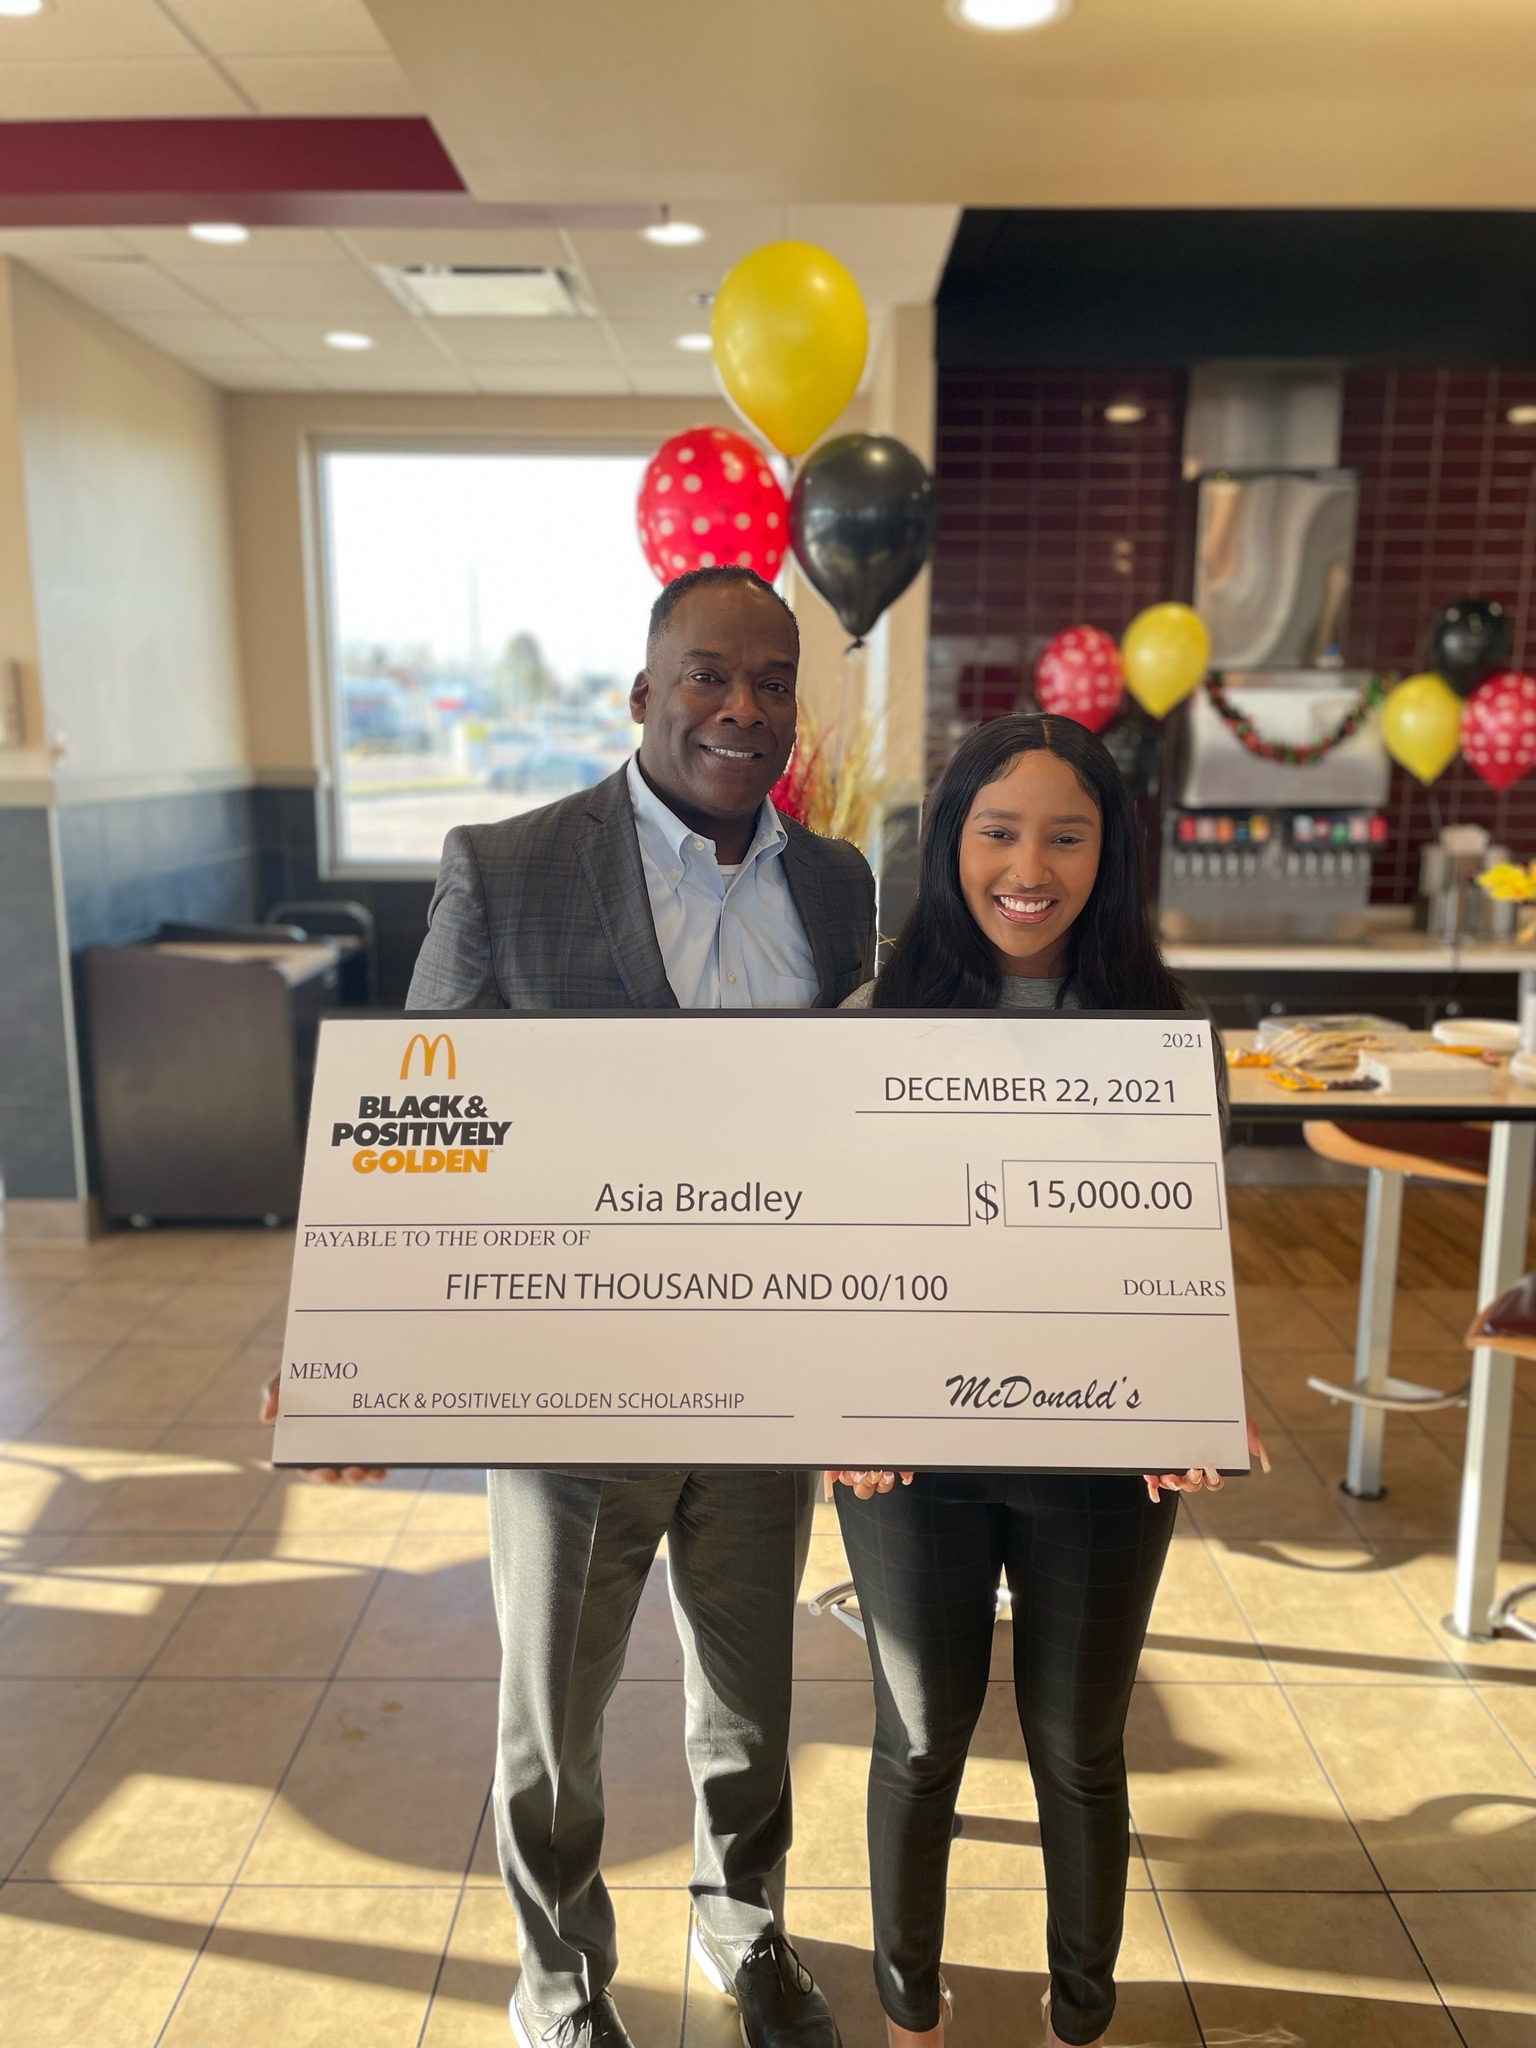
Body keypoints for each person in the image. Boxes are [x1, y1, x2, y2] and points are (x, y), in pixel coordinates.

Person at [264, 566, 874, 2048]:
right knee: (555, 1722)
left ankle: (745, 1927)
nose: (741, 707)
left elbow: (859, 1132)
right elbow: (421, 1128)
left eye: (772, 681)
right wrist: (346, 1349)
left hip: (762, 1381)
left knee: (751, 1700)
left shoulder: (839, 884)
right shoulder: (510, 865)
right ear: (644, 692)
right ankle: (559, 1986)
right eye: (708, 674)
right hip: (572, 1386)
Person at [829, 712, 1262, 2048]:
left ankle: (1082, 2021)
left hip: (1103, 1456)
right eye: (998, 832)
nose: (1030, 868)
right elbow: (831, 1248)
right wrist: (835, 1402)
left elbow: (1183, 1249)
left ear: (1108, 853)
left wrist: (1194, 1389)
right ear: (950, 844)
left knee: (1079, 1747)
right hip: (911, 1455)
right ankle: (910, 2020)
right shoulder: (869, 1025)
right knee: (919, 1740)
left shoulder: (1166, 1036)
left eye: (1066, 836)